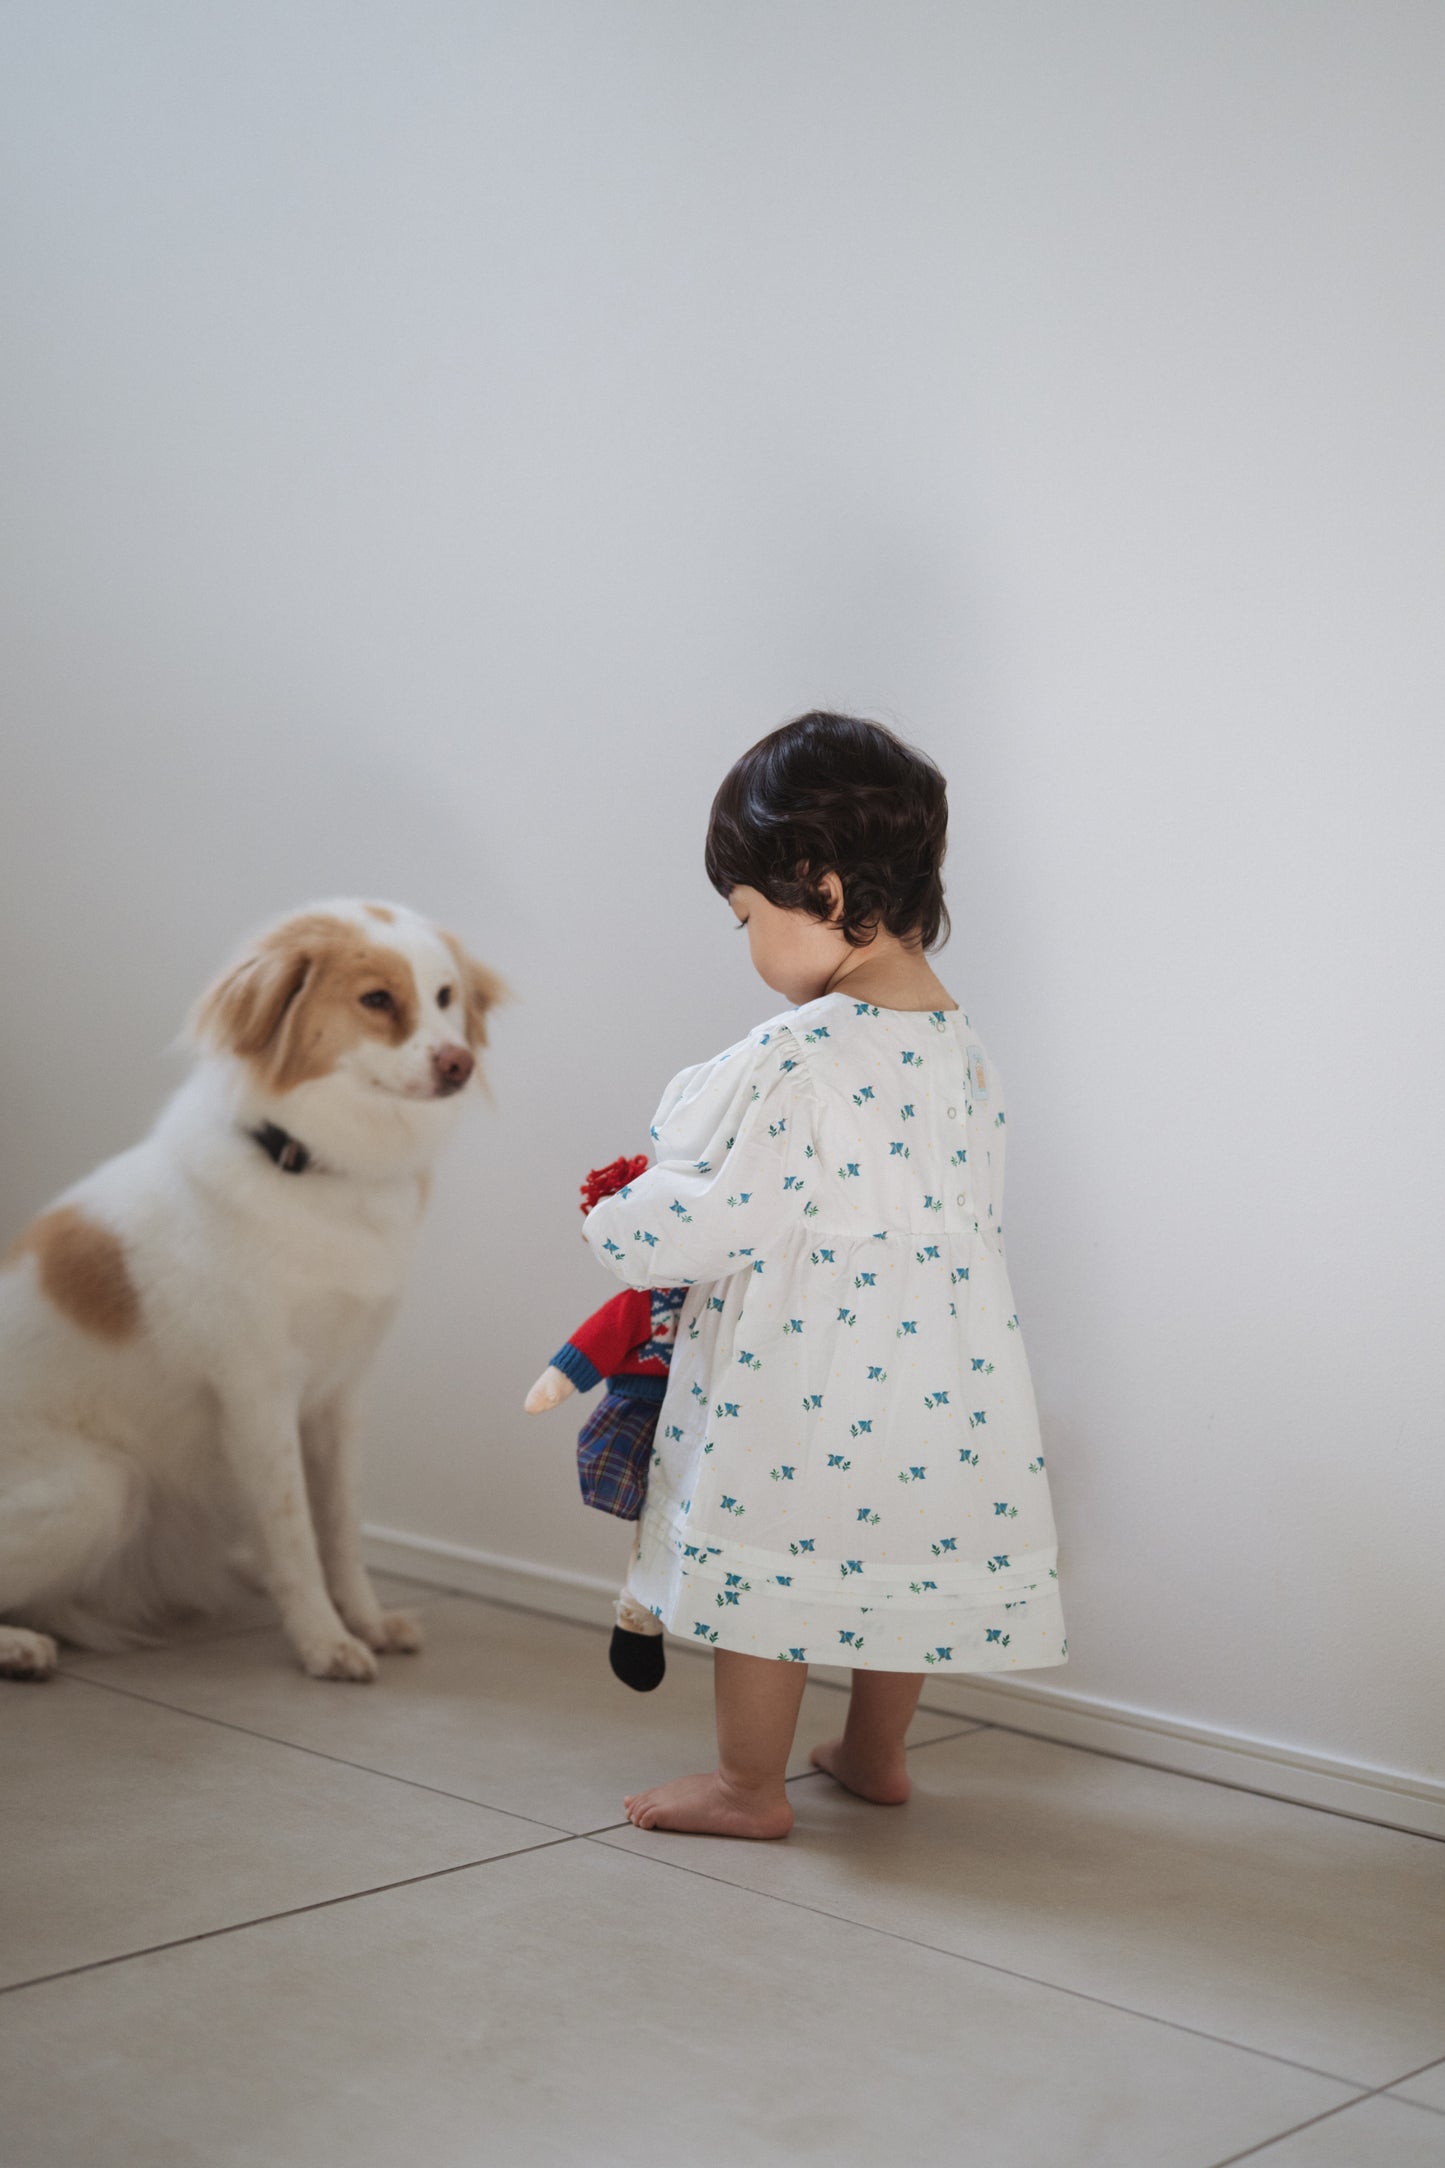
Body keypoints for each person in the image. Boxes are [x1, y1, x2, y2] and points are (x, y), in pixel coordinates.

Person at [581, 711, 1067, 1838]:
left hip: (803, 1373)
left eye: (747, 915)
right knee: (897, 1561)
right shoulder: (962, 1047)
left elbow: (720, 1216)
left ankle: (746, 1788)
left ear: (824, 888)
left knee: (768, 1571)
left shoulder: (798, 1054)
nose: (747, 943)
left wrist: (618, 1218)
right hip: (941, 1373)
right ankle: (874, 1753)